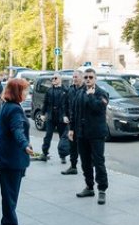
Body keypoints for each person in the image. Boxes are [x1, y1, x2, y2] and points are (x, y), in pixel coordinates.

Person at [0, 78, 33, 225]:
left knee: (9, 195)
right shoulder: (14, 109)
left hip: (7, 158)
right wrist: (25, 145)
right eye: (24, 90)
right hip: (11, 159)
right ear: (17, 92)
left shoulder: (8, 106)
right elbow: (17, 130)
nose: (26, 93)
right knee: (10, 196)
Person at [71, 68, 110, 205]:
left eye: (91, 77)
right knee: (85, 162)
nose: (88, 79)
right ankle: (89, 187)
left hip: (97, 134)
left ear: (95, 79)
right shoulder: (80, 92)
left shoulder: (101, 93)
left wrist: (91, 96)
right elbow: (75, 111)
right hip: (82, 134)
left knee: (99, 162)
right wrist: (71, 129)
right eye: (86, 77)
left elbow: (98, 108)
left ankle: (102, 190)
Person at [38, 72, 68, 163]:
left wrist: (66, 116)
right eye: (52, 78)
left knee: (62, 138)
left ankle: (63, 156)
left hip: (61, 118)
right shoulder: (49, 90)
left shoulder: (65, 90)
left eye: (55, 78)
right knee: (48, 136)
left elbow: (68, 105)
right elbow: (45, 103)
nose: (53, 80)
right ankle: (44, 153)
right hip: (51, 117)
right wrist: (43, 114)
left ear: (60, 79)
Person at [61, 70, 84, 175]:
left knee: (84, 146)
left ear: (81, 77)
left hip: (83, 123)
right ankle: (73, 167)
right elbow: (65, 104)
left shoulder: (85, 89)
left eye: (76, 77)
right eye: (73, 77)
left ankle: (89, 166)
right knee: (72, 145)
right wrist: (65, 115)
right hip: (72, 122)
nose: (74, 79)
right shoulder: (70, 90)